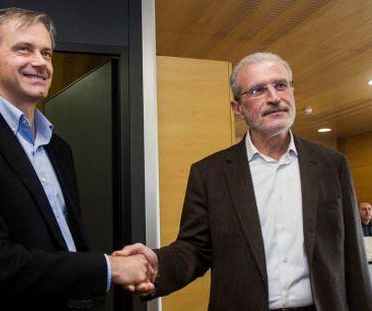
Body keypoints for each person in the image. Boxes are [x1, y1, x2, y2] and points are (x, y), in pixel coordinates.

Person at [115, 52, 372, 310]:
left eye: (281, 85)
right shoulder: (210, 174)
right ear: (237, 109)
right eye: (258, 90)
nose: (274, 97)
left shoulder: (332, 164)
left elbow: (353, 255)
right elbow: (195, 249)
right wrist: (157, 264)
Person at [0, 7, 153, 311]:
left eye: (46, 53)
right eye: (24, 49)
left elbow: (67, 244)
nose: (40, 62)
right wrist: (109, 269)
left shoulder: (59, 148)